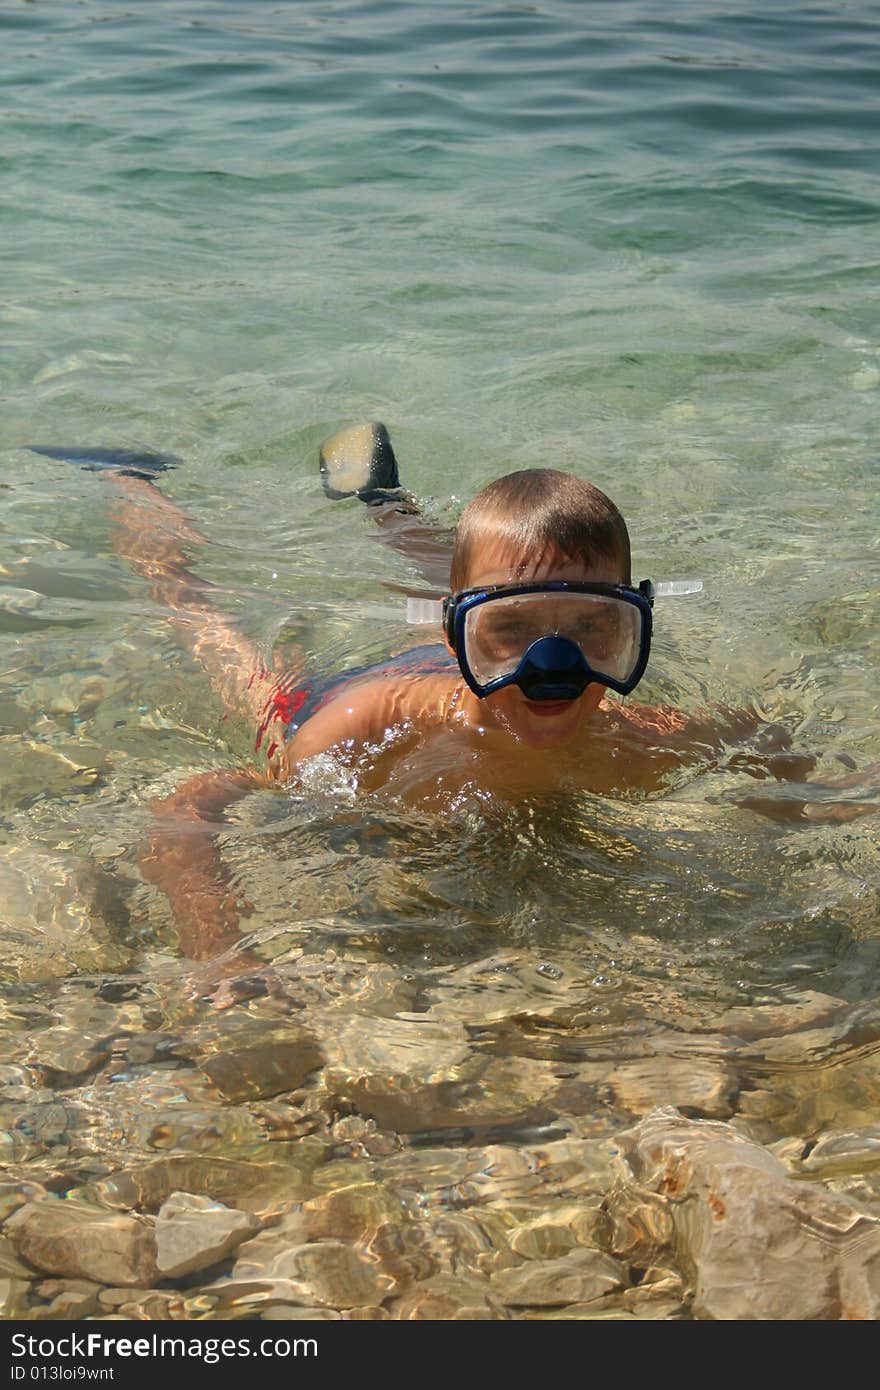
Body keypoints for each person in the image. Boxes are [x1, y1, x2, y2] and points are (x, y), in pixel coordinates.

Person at [32, 426, 874, 967]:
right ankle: (129, 474)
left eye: (591, 628)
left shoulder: (638, 738)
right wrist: (221, 953)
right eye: (509, 633)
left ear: (633, 631)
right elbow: (200, 804)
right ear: (456, 634)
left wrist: (829, 805)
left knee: (488, 570)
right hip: (339, 692)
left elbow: (766, 746)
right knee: (203, 620)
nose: (554, 665)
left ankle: (381, 497)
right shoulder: (368, 734)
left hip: (451, 636)